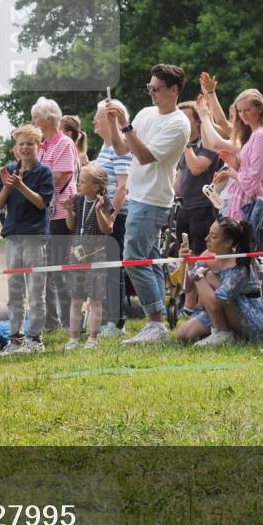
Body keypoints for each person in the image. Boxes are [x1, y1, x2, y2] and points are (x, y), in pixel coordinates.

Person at [105, 63, 190, 345]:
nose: (151, 92)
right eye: (149, 87)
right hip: (138, 195)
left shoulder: (179, 124)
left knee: (133, 259)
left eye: (156, 88)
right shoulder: (145, 113)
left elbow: (144, 157)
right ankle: (158, 322)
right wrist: (115, 125)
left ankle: (155, 323)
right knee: (151, 261)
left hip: (153, 199)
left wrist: (126, 125)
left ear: (174, 90)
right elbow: (122, 149)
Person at [0, 124, 54, 355]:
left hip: (35, 237)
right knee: (15, 290)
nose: (26, 147)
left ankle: (35, 339)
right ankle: (15, 338)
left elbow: (42, 203)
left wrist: (21, 185)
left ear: (39, 146)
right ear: (15, 148)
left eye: (30, 143)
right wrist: (8, 187)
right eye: (21, 144)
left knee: (36, 290)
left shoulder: (44, 172)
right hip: (12, 236)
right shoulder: (8, 170)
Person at [175, 218, 263, 345]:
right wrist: (184, 262)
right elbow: (187, 288)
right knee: (183, 335)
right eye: (209, 233)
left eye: (213, 236)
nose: (206, 239)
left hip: (249, 322)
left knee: (207, 277)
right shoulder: (208, 254)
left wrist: (199, 278)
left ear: (228, 242)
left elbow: (216, 303)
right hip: (222, 311)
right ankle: (223, 332)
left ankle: (222, 332)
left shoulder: (240, 267)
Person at [196, 89, 263, 233]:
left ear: (260, 108)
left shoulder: (262, 135)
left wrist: (204, 117)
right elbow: (210, 143)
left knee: (249, 247)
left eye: (247, 110)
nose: (243, 115)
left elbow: (253, 179)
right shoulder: (254, 134)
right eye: (240, 111)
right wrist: (236, 166)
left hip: (252, 200)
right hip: (245, 198)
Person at [32, 97, 78, 331]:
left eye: (35, 118)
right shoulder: (42, 146)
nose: (33, 122)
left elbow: (58, 177)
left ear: (49, 120)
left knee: (61, 271)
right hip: (44, 214)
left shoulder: (65, 144)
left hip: (61, 214)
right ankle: (51, 321)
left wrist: (33, 185)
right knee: (46, 272)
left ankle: (69, 321)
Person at [61, 163, 114, 349]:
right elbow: (70, 226)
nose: (78, 184)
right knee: (76, 299)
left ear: (96, 187)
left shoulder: (105, 202)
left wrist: (99, 210)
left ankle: (93, 338)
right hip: (76, 255)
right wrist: (68, 211)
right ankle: (73, 338)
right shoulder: (77, 200)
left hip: (96, 255)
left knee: (95, 299)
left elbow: (107, 229)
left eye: (82, 182)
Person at [92, 99, 133, 337]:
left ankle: (116, 322)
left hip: (116, 216)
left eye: (99, 116)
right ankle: (109, 317)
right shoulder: (106, 147)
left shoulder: (119, 149)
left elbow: (122, 186)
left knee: (113, 269)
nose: (95, 121)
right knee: (106, 269)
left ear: (110, 120)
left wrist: (111, 216)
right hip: (105, 215)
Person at [175, 101, 221, 256]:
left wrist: (186, 143)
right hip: (185, 208)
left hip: (203, 207)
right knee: (183, 256)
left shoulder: (208, 142)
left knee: (200, 254)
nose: (180, 123)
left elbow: (196, 168)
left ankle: (201, 280)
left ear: (198, 121)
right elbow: (177, 184)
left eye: (185, 118)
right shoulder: (184, 146)